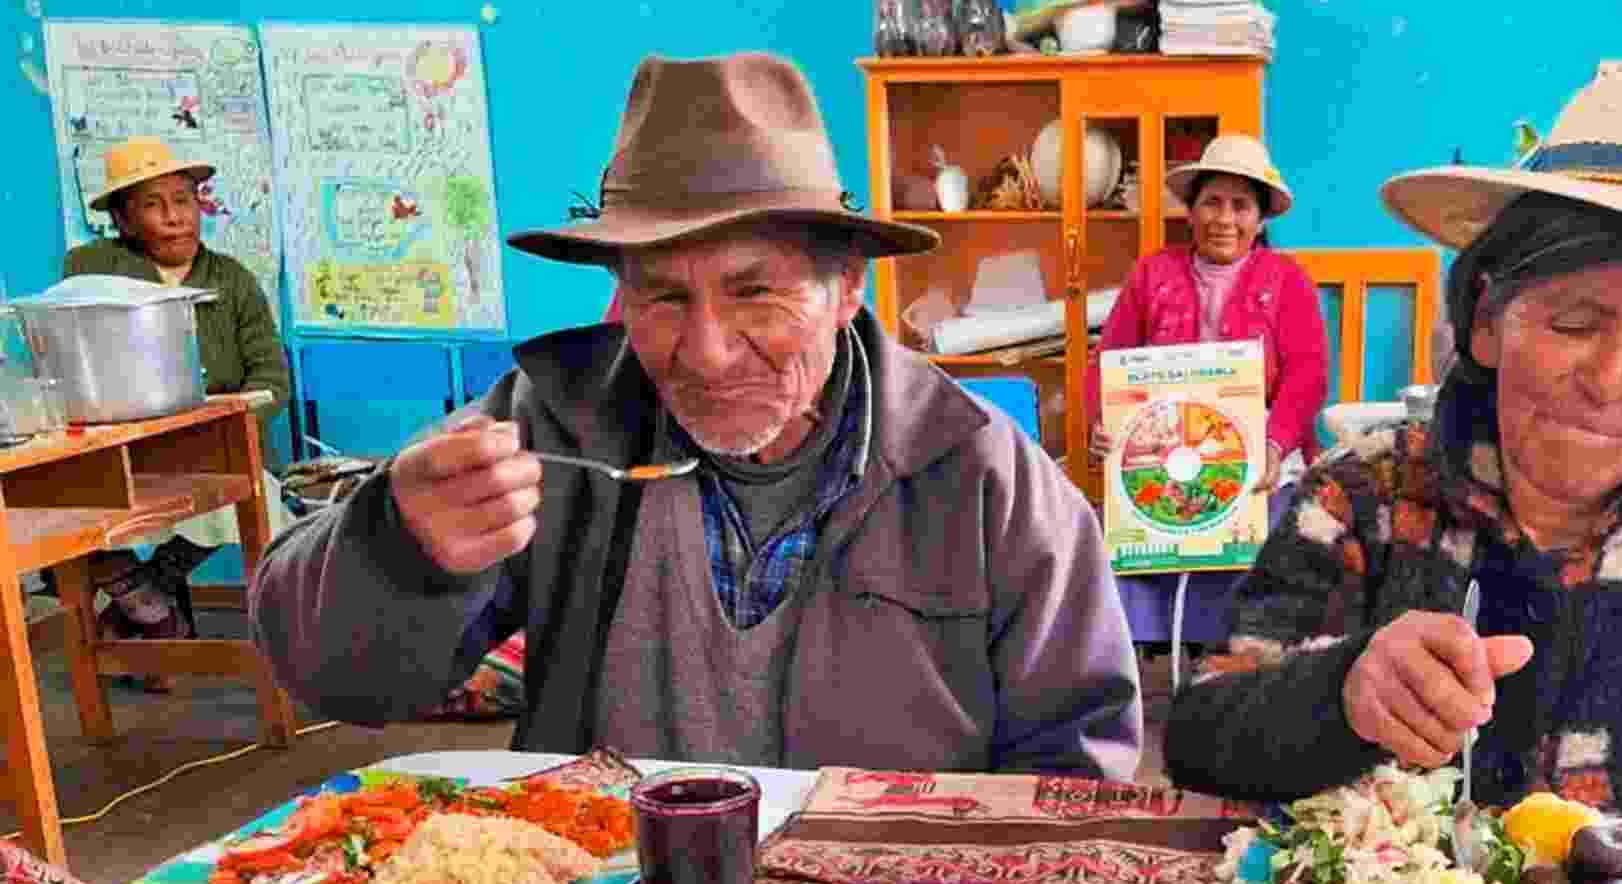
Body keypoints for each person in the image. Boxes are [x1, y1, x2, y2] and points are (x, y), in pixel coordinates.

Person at [250, 52, 1141, 777]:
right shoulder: (553, 424)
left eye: (756, 292)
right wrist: (397, 547)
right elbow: (329, 676)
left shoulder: (984, 476)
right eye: (664, 297)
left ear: (845, 289)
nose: (708, 353)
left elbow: (1078, 768)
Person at [1163, 60, 1622, 821]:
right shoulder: (1367, 492)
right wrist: (1341, 693)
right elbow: (1200, 737)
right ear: (1486, 321)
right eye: (1573, 324)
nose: (1610, 381)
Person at [63, 137, 291, 681]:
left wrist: (226, 422)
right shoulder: (97, 270)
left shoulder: (232, 279)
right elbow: (81, 342)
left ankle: (150, 600)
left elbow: (271, 378)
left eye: (184, 201)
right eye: (153, 205)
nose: (174, 218)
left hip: (218, 444)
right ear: (123, 219)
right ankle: (151, 611)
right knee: (73, 508)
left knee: (249, 493)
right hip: (129, 447)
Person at [1084, 133, 1328, 488]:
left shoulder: (1288, 279)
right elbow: (1109, 360)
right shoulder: (1152, 273)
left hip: (1261, 451)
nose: (1224, 219)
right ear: (1190, 211)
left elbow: (1308, 375)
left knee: (1274, 520)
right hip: (1164, 450)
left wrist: (1274, 444)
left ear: (1260, 220)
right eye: (1212, 202)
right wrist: (1102, 420)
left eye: (1241, 206)